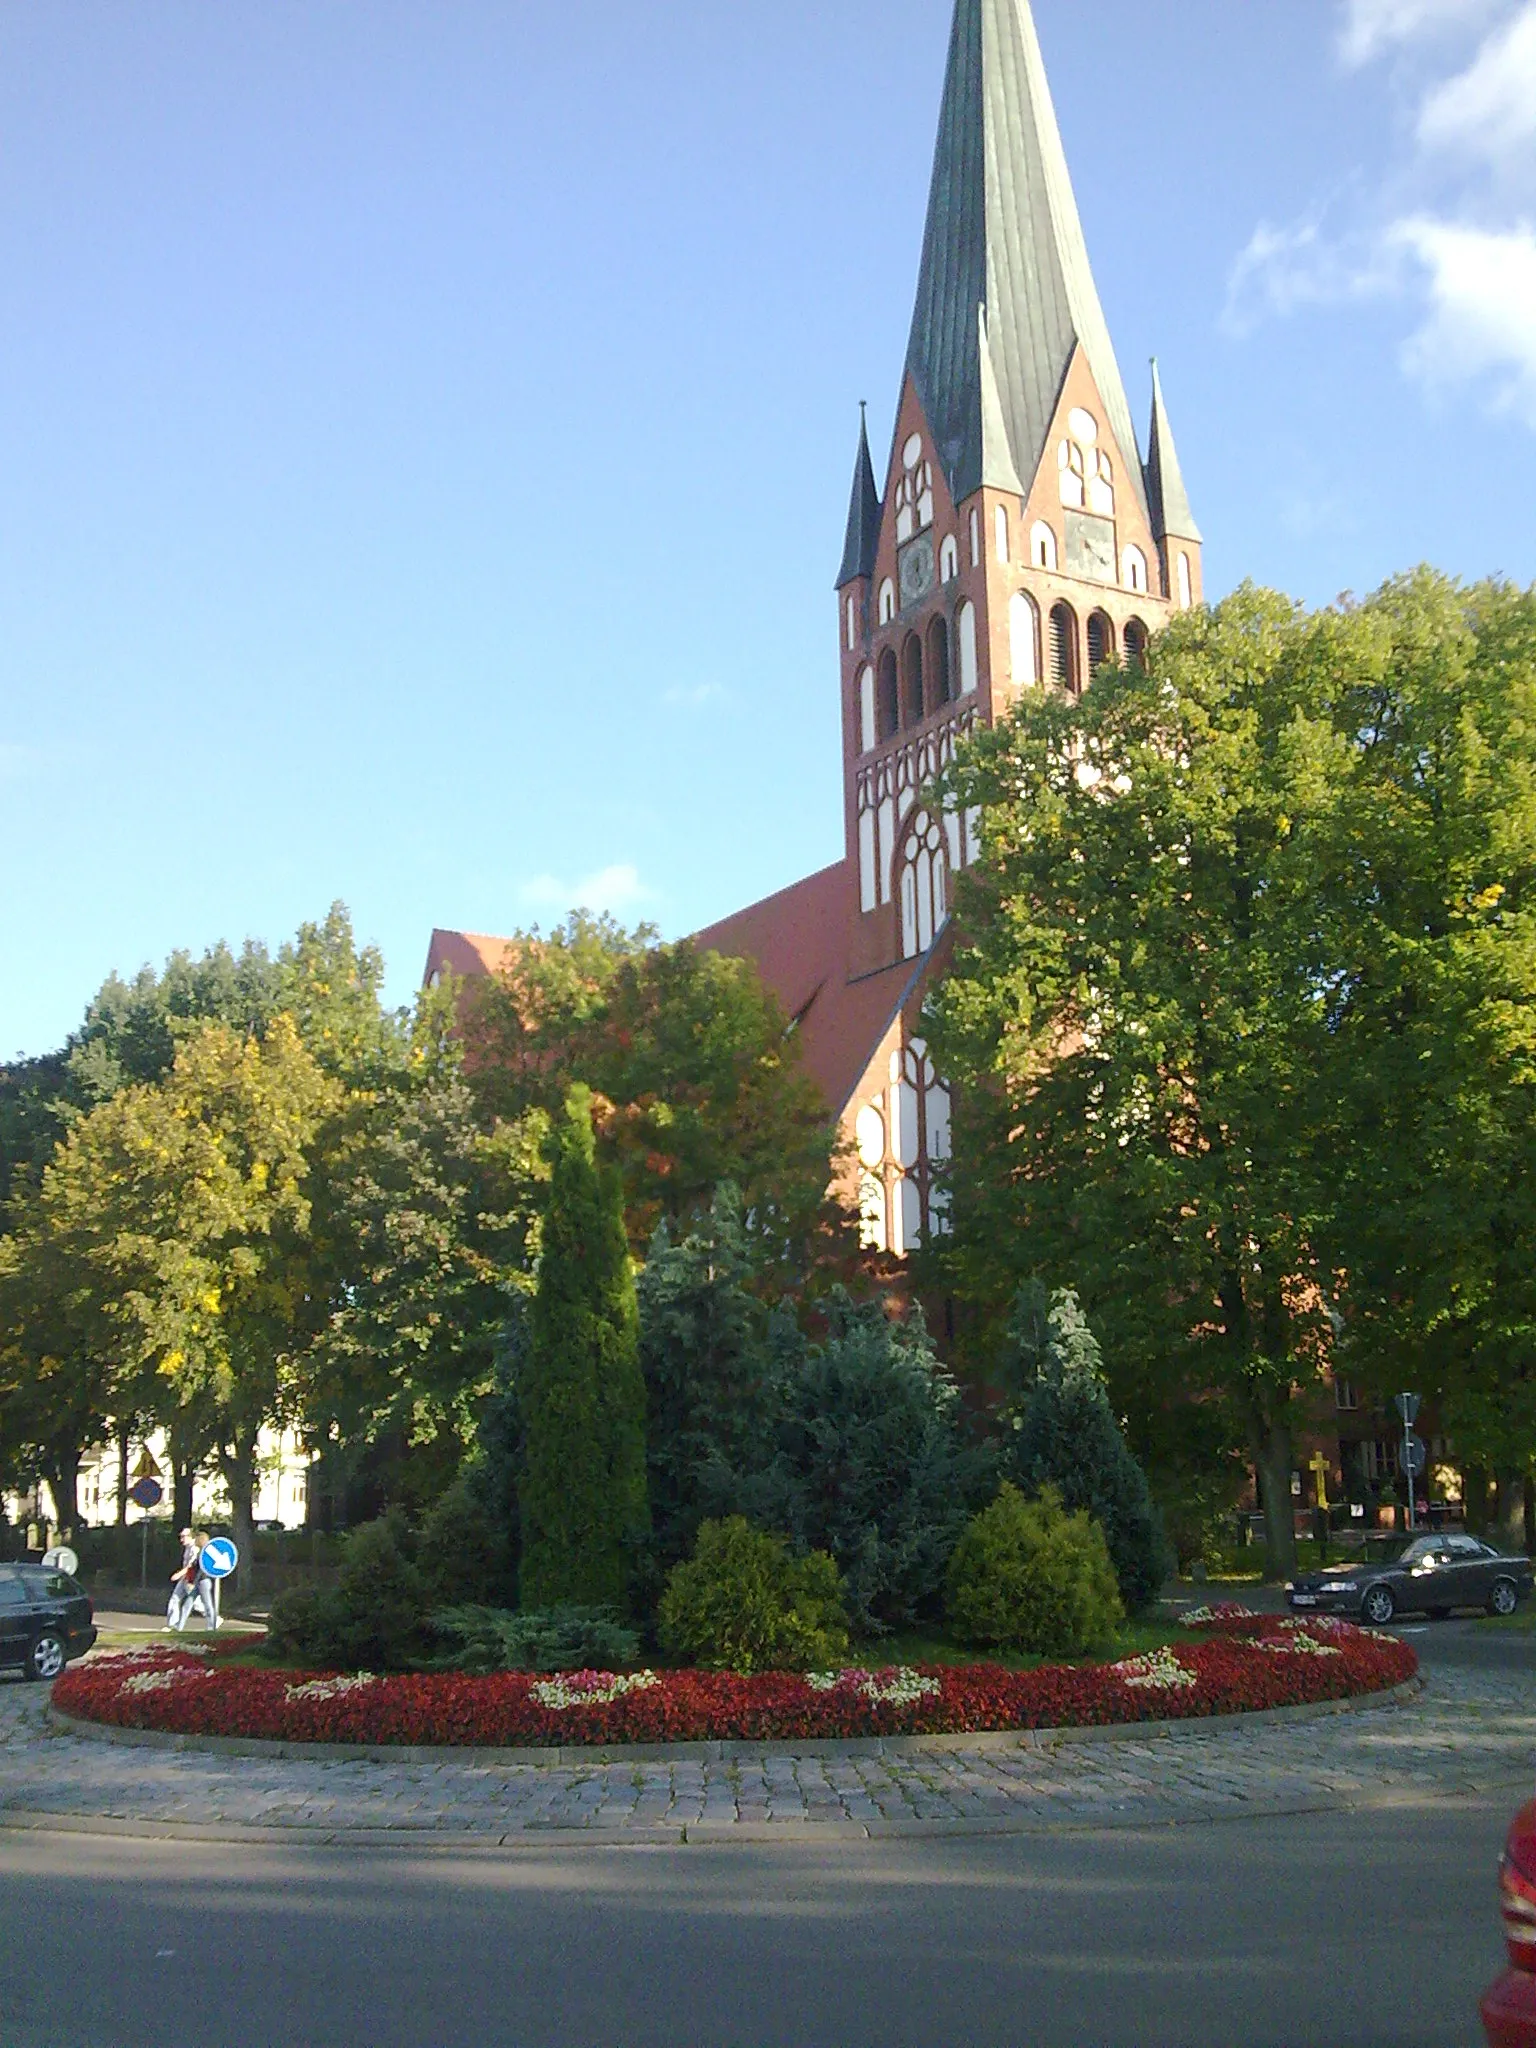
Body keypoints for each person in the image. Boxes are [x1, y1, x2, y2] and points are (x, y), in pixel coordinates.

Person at [167, 1528, 201, 1631]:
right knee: (175, 1599)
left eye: (183, 1536)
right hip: (185, 1578)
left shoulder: (195, 1549)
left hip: (191, 1579)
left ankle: (214, 1618)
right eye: (181, 1536)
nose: (181, 1539)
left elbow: (191, 1566)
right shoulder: (187, 1547)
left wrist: (178, 1575)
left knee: (196, 1603)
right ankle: (172, 1624)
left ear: (191, 1537)